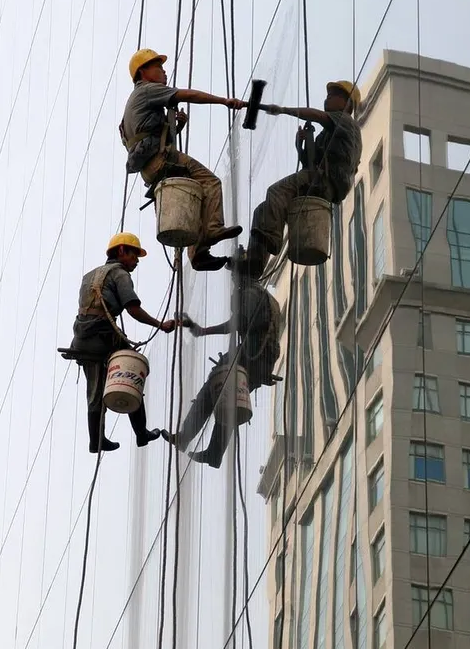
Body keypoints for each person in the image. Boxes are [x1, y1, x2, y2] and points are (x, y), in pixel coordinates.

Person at [119, 48, 243, 271]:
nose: (164, 73)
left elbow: (149, 136)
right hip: (161, 160)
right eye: (159, 67)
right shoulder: (147, 91)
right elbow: (189, 95)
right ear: (143, 72)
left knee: (195, 193)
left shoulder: (132, 105)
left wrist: (178, 126)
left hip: (150, 168)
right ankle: (213, 229)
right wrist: (224, 101)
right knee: (210, 182)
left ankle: (198, 254)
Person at [229, 80, 362, 277]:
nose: (328, 98)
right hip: (318, 180)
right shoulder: (327, 133)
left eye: (334, 95)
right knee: (263, 210)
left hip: (326, 183)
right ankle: (255, 261)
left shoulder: (346, 122)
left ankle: (272, 239)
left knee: (276, 192)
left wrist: (283, 110)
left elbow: (317, 116)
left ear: (347, 104)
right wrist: (301, 145)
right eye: (329, 94)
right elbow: (310, 163)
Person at [70, 232, 176, 453]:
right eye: (134, 255)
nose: (136, 261)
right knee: (132, 368)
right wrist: (160, 325)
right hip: (102, 338)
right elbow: (133, 309)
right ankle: (141, 433)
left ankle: (96, 440)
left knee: (95, 391)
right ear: (121, 251)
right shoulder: (120, 274)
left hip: (81, 341)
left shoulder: (89, 275)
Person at [162, 279, 281, 468]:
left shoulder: (250, 292)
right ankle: (212, 453)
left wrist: (203, 331)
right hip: (262, 357)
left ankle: (187, 438)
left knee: (214, 390)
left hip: (253, 354)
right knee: (230, 400)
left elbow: (240, 322)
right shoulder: (267, 298)